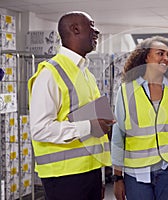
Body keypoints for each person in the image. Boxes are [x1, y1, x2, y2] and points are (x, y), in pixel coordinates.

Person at [28, 11, 115, 200]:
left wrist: (100, 177)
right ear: (75, 29)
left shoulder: (86, 74)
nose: (97, 32)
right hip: (63, 177)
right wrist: (90, 126)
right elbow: (40, 129)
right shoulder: (49, 74)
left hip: (89, 172)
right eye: (91, 26)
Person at [111, 36, 168, 200]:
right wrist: (118, 177)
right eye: (160, 54)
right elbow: (118, 137)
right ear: (145, 57)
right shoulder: (126, 91)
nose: (165, 58)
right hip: (136, 171)